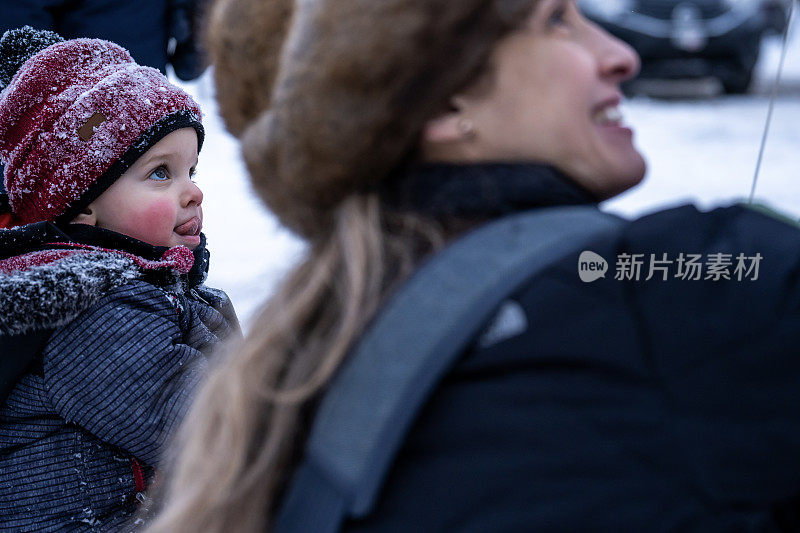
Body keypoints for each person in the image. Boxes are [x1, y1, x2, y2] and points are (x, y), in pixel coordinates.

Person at [149, 0, 800, 531]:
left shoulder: (315, 342)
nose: (621, 55)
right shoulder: (670, 290)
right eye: (556, 20)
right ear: (446, 104)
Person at [0, 27, 240, 530]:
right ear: (83, 206)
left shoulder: (139, 291)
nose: (192, 192)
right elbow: (208, 430)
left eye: (191, 170)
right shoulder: (91, 312)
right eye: (160, 173)